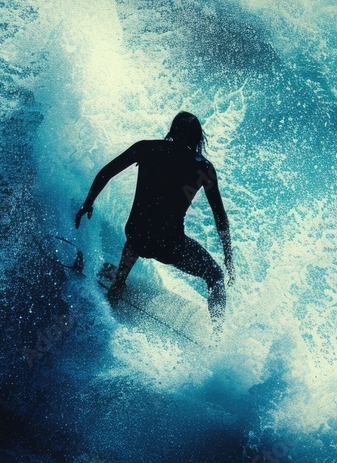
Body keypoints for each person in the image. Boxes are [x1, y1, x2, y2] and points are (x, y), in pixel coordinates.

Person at [75, 112, 234, 321]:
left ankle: (119, 283)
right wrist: (228, 256)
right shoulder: (203, 168)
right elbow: (219, 216)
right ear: (197, 138)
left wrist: (89, 202)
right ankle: (217, 334)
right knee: (215, 275)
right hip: (169, 246)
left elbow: (107, 171)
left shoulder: (146, 149)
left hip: (137, 237)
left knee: (139, 232)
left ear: (172, 131)